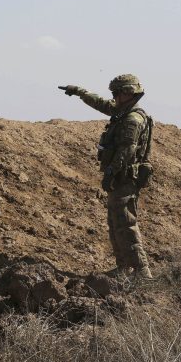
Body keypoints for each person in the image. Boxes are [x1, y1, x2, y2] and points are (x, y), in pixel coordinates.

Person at [59, 74, 154, 280]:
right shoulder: (123, 111)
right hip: (119, 177)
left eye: (117, 93)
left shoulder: (132, 119)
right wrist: (79, 91)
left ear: (128, 93)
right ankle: (123, 268)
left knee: (126, 224)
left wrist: (111, 172)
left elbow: (127, 149)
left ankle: (142, 272)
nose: (114, 97)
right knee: (115, 223)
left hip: (125, 178)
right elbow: (102, 104)